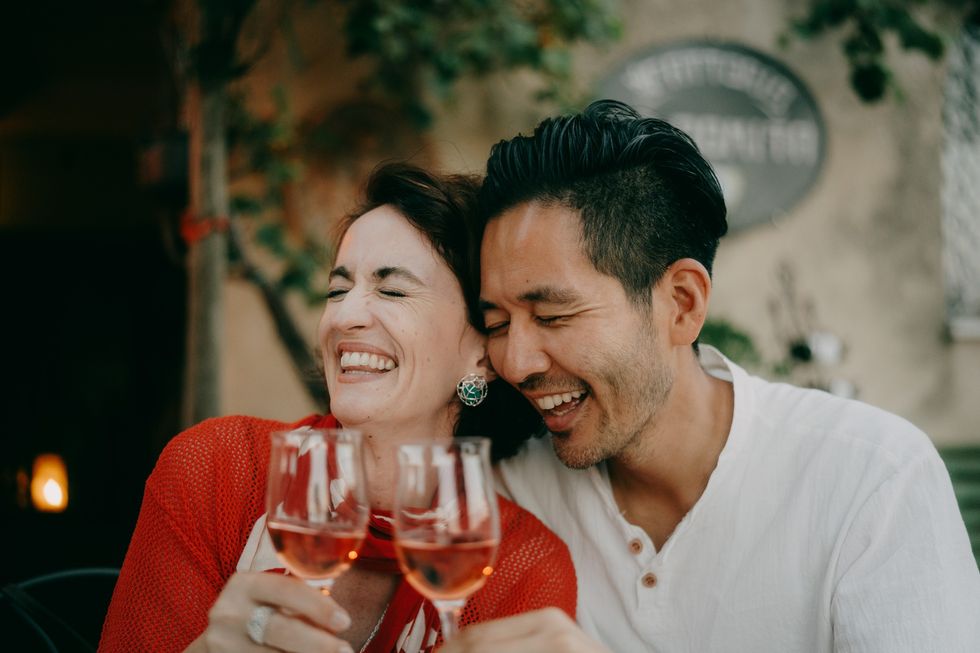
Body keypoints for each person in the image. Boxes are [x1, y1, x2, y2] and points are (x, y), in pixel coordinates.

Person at [440, 100, 980, 652]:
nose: (517, 361)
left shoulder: (872, 478)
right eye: (497, 323)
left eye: (553, 316)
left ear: (681, 303)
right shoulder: (507, 490)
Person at [98, 163, 576, 653]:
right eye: (337, 290)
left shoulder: (521, 568)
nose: (344, 317)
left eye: (392, 290)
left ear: (481, 350)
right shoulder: (219, 470)